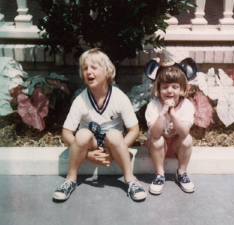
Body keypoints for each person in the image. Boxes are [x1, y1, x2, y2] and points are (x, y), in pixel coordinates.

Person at [53, 49, 147, 202]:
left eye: (94, 67)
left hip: (113, 144)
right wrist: (88, 155)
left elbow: (134, 130)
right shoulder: (81, 99)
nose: (89, 71)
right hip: (92, 144)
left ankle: (130, 180)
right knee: (82, 134)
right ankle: (70, 180)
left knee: (114, 135)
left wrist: (115, 152)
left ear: (108, 71)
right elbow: (66, 133)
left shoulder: (119, 97)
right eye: (85, 68)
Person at [144, 59, 197, 195]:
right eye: (165, 87)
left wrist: (173, 114)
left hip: (175, 147)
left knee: (187, 139)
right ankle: (159, 174)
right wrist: (163, 113)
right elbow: (155, 134)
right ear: (158, 88)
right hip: (158, 148)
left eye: (175, 87)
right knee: (157, 140)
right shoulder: (153, 106)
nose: (170, 91)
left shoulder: (186, 106)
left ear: (182, 88)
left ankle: (182, 172)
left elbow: (184, 132)